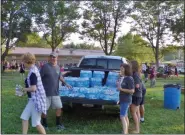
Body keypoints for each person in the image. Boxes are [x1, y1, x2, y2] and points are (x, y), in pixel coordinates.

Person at [40, 52, 72, 130]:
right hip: (46, 93)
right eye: (51, 57)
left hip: (55, 92)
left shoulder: (58, 67)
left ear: (57, 58)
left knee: (59, 107)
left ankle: (58, 124)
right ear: (49, 58)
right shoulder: (45, 67)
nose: (52, 58)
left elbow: (59, 76)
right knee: (44, 109)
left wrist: (66, 83)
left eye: (54, 57)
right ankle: (44, 124)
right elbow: (39, 78)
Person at [20, 52, 46, 134]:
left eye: (23, 61)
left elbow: (33, 88)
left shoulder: (33, 73)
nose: (22, 63)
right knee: (24, 117)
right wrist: (25, 91)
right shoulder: (33, 70)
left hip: (36, 101)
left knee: (37, 124)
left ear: (27, 61)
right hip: (32, 100)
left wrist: (24, 89)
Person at [117, 64, 135, 134]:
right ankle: (126, 131)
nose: (120, 70)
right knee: (125, 115)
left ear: (126, 69)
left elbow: (132, 90)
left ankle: (124, 133)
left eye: (122, 68)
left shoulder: (129, 78)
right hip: (122, 98)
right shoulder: (123, 77)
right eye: (120, 68)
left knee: (122, 116)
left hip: (126, 99)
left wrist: (121, 89)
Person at [130, 60, 142, 134]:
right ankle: (137, 127)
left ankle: (137, 130)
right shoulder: (135, 73)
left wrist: (129, 87)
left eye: (130, 65)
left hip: (136, 95)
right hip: (138, 95)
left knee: (133, 112)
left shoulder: (135, 74)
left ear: (133, 66)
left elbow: (137, 85)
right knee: (137, 112)